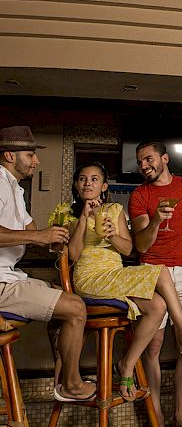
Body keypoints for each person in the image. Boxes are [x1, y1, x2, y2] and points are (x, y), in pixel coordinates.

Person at [69, 162, 182, 402]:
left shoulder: (114, 210)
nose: (88, 183)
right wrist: (82, 219)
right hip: (89, 279)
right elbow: (73, 256)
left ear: (104, 186)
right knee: (160, 272)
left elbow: (129, 249)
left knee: (158, 307)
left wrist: (112, 236)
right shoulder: (66, 213)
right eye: (83, 179)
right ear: (76, 186)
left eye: (95, 179)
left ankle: (126, 364)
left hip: (115, 276)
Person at [0, 126, 96, 402]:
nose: (36, 161)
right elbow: (32, 233)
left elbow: (30, 229)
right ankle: (71, 385)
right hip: (1, 282)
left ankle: (62, 378)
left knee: (65, 297)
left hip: (10, 276)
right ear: (9, 155)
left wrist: (48, 239)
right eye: (30, 155)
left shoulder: (15, 188)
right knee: (76, 308)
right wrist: (38, 236)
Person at [128, 140, 182, 427]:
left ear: (164, 158)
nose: (144, 165)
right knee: (152, 347)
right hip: (152, 271)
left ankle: (180, 414)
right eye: (140, 161)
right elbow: (141, 245)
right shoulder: (139, 196)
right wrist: (155, 220)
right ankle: (156, 414)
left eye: (149, 159)